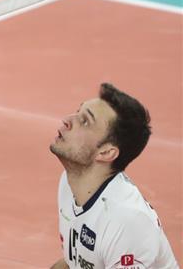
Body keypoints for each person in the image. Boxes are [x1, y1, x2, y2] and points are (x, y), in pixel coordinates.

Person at [50, 83, 177, 269]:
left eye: (85, 121)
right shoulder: (70, 182)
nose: (68, 120)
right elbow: (72, 263)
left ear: (106, 153)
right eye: (78, 112)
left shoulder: (127, 220)